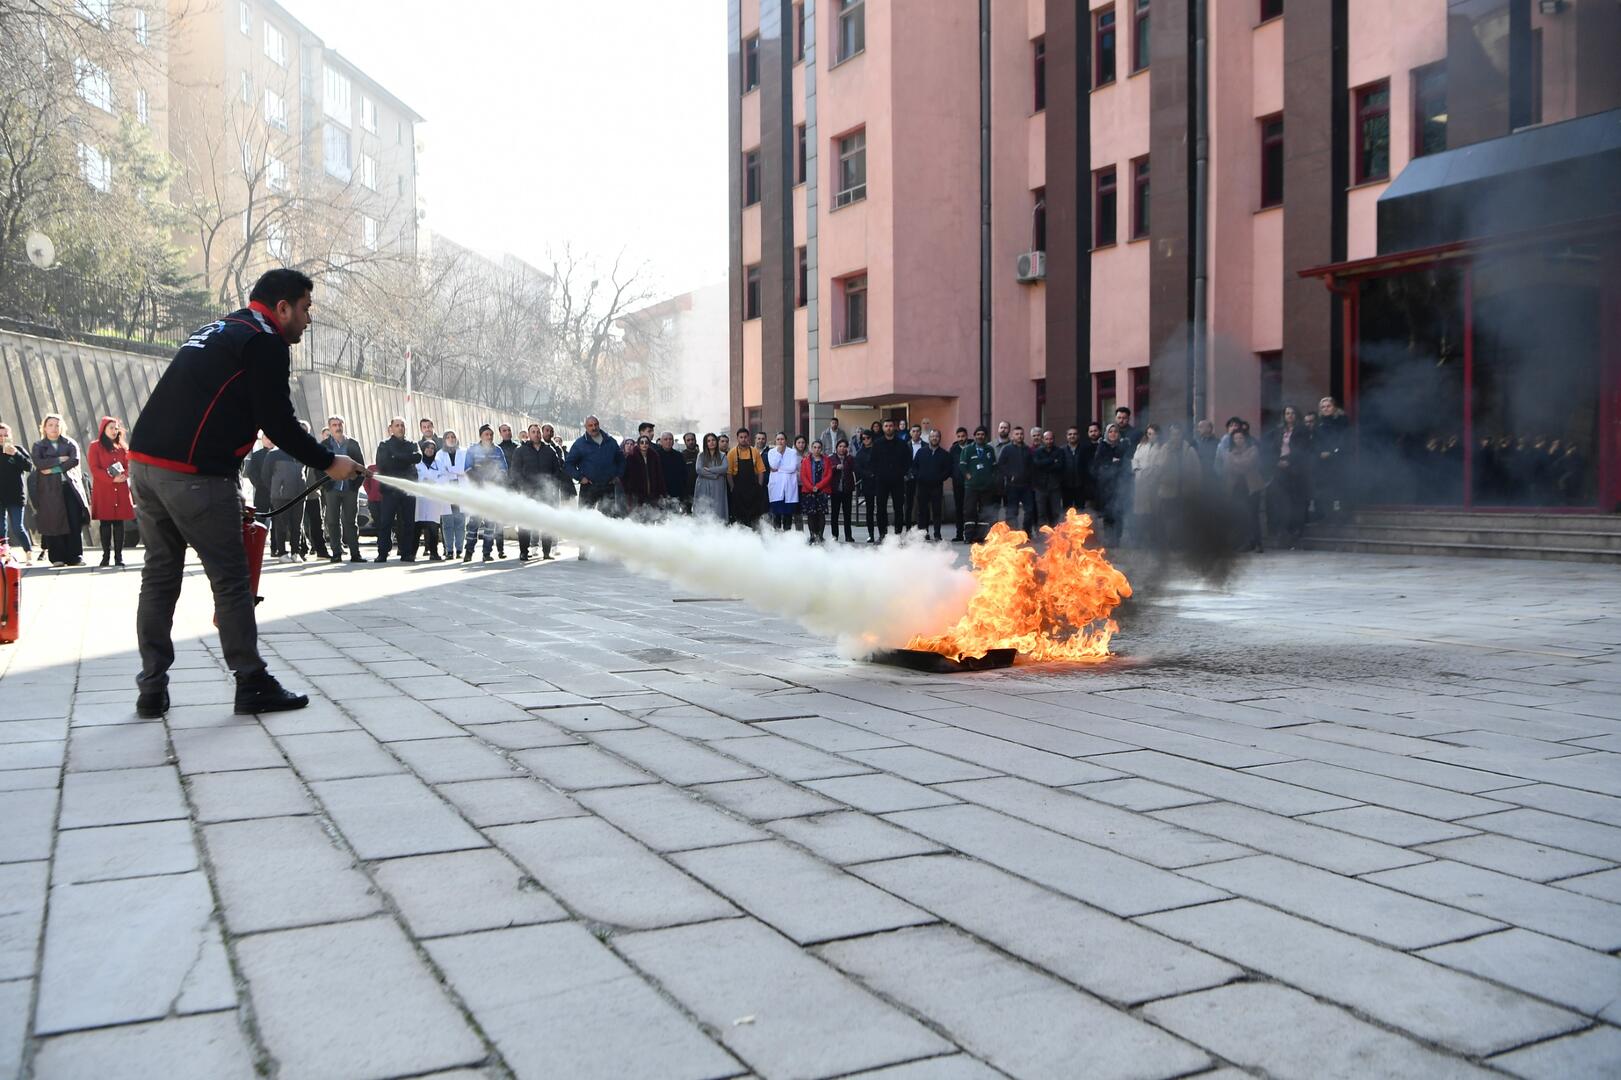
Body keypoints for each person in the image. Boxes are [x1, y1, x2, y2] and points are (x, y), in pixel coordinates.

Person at [128, 268, 362, 717]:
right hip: (193, 473)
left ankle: (151, 688)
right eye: (306, 309)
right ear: (282, 308)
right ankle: (251, 680)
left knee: (159, 578)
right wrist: (329, 461)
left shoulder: (222, 328)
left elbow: (217, 407)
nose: (308, 320)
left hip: (146, 466)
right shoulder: (265, 341)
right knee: (231, 579)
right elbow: (277, 421)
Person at [30, 414, 87, 567]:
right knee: (54, 522)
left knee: (73, 521)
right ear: (44, 428)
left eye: (57, 425)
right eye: (50, 425)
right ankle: (57, 557)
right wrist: (59, 459)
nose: (54, 428)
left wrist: (54, 468)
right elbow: (39, 463)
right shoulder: (38, 446)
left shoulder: (70, 443)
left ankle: (76, 556)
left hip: (70, 487)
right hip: (49, 489)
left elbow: (74, 460)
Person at [566, 415, 626, 558]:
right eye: (590, 425)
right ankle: (584, 550)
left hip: (608, 486)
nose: (594, 427)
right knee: (584, 518)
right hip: (589, 487)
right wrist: (580, 477)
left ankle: (609, 550)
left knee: (610, 519)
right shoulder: (580, 443)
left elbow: (621, 460)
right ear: (586, 427)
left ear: (599, 424)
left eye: (596, 424)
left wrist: (618, 475)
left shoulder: (610, 441)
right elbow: (568, 464)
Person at [87, 416, 136, 568]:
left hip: (120, 488)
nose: (114, 431)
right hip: (104, 489)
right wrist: (110, 479)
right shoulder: (95, 446)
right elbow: (94, 468)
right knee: (106, 523)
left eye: (116, 428)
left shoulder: (122, 447)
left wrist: (124, 475)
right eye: (111, 428)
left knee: (119, 523)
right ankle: (106, 555)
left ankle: (119, 556)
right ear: (103, 429)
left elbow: (129, 465)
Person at [512, 423, 564, 559]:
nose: (536, 434)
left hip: (545, 493)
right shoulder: (520, 450)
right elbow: (515, 472)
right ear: (529, 435)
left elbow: (557, 471)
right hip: (527, 493)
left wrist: (552, 487)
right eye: (533, 432)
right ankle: (524, 551)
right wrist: (522, 488)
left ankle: (546, 552)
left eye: (538, 432)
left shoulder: (549, 450)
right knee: (525, 523)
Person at [373, 417, 421, 563]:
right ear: (391, 428)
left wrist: (396, 457)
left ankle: (406, 553)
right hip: (390, 490)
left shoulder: (412, 444)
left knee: (408, 522)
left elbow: (418, 457)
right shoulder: (384, 445)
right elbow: (382, 463)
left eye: (402, 425)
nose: (400, 428)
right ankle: (382, 553)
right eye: (397, 425)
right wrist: (406, 459)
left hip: (408, 489)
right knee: (386, 522)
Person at [321, 416, 366, 563]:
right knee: (332, 521)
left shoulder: (352, 444)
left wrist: (356, 485)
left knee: (351, 522)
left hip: (350, 489)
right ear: (330, 427)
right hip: (332, 488)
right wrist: (325, 485)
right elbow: (318, 467)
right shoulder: (325, 444)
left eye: (340, 424)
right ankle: (336, 552)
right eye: (334, 425)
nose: (337, 427)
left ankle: (355, 553)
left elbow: (361, 466)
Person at [265, 427, 312, 562]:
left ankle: (295, 552)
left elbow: (305, 473)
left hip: (299, 494)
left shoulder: (302, 453)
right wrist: (276, 488)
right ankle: (282, 553)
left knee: (297, 525)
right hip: (280, 496)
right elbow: (266, 475)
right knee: (281, 525)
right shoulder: (274, 454)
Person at [463, 424, 509, 562]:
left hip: (492, 492)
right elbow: (467, 468)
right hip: (477, 491)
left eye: (491, 434)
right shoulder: (472, 450)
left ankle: (487, 553)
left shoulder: (498, 450)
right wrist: (479, 482)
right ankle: (468, 552)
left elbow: (503, 468)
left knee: (490, 523)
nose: (489, 437)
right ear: (481, 436)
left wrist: (495, 482)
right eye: (486, 434)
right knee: (473, 523)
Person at [1266, 406, 1310, 548]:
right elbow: (1272, 448)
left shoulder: (1302, 430)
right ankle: (1280, 530)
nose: (1290, 416)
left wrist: (1289, 461)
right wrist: (1276, 461)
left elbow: (1302, 449)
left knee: (1295, 500)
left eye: (1292, 413)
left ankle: (1296, 531)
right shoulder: (1278, 430)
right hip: (1279, 468)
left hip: (1295, 468)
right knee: (1278, 499)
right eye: (1287, 413)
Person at [1219, 427, 1266, 552]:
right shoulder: (1229, 451)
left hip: (1251, 487)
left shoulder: (1253, 450)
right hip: (1236, 488)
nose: (1238, 440)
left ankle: (1258, 543)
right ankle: (1244, 543)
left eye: (1241, 438)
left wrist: (1234, 461)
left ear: (1245, 439)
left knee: (1253, 516)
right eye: (1235, 438)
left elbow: (1248, 464)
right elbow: (1227, 468)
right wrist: (1236, 462)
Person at [956, 426, 998, 543]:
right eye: (978, 434)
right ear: (974, 436)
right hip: (971, 487)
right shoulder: (968, 449)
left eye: (982, 434)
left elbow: (994, 466)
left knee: (985, 512)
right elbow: (962, 465)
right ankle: (968, 536)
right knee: (969, 511)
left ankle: (981, 537)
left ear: (985, 436)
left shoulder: (989, 449)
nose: (980, 436)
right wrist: (968, 476)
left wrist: (991, 478)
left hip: (987, 487)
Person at [410, 439, 450, 561]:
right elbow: (412, 477)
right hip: (419, 499)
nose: (430, 450)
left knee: (433, 528)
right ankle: (412, 553)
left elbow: (445, 478)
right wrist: (423, 481)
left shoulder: (439, 463)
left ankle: (434, 553)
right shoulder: (417, 463)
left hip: (433, 500)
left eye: (432, 448)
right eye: (427, 448)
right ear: (422, 449)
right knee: (416, 528)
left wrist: (435, 483)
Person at [910, 429, 953, 540]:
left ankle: (937, 534)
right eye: (932, 436)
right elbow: (914, 467)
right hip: (922, 486)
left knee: (937, 511)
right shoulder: (921, 452)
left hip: (936, 486)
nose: (934, 438)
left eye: (937, 436)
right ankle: (923, 534)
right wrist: (918, 476)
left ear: (940, 438)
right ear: (929, 438)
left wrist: (939, 478)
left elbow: (948, 470)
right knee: (922, 511)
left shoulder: (944, 454)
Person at [0, 422, 34, 562]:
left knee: (17, 526)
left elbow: (29, 467)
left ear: (11, 436)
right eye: (0, 435)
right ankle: (4, 554)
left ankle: (28, 552)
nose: (2, 438)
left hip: (15, 495)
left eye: (5, 435)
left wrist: (15, 454)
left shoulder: (17, 449)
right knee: (1, 528)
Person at [1129, 424, 1168, 547]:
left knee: (1154, 512)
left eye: (1154, 434)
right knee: (1141, 513)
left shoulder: (1162, 448)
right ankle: (1140, 540)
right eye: (1149, 434)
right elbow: (1135, 460)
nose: (1151, 436)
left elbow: (1160, 465)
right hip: (1140, 482)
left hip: (1154, 483)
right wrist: (1136, 470)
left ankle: (1155, 540)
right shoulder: (1141, 446)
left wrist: (1148, 473)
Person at [1090, 424, 1128, 547]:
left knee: (1118, 513)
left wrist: (1117, 462)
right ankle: (1109, 538)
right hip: (1105, 486)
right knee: (1108, 513)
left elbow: (1126, 462)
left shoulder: (1123, 445)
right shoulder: (1102, 446)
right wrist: (1111, 462)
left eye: (1115, 431)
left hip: (1120, 485)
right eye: (1110, 431)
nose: (1113, 434)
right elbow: (1098, 464)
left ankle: (1117, 538)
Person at [872, 418, 909, 540]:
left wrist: (902, 473)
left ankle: (898, 534)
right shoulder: (877, 443)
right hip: (881, 481)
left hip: (897, 480)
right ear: (883, 428)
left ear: (895, 427)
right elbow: (873, 461)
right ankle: (882, 534)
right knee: (881, 508)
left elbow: (907, 461)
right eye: (886, 426)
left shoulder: (902, 443)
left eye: (891, 425)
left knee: (898, 508)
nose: (888, 428)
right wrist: (878, 473)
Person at [725, 425, 767, 529]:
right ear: (737, 438)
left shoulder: (754, 451)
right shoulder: (732, 453)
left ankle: (754, 537)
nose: (743, 439)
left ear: (749, 438)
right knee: (739, 517)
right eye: (741, 437)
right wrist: (732, 487)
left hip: (753, 489)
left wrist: (759, 487)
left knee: (754, 517)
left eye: (745, 437)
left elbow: (761, 471)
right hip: (738, 489)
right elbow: (729, 473)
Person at [1315, 395, 1350, 519]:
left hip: (1339, 459)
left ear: (1334, 407)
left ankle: (1341, 514)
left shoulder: (1342, 421)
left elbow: (1344, 440)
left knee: (1339, 487)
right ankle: (1326, 513)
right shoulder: (1318, 424)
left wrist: (1332, 452)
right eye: (1323, 407)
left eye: (1328, 406)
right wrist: (1319, 453)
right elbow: (1316, 442)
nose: (1325, 409)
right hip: (1322, 461)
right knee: (1325, 487)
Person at [996, 425, 1035, 533]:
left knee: (1030, 510)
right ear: (1013, 436)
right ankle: (1012, 534)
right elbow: (1000, 465)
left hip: (1026, 486)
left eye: (1021, 434)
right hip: (1012, 486)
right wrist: (1010, 475)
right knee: (1012, 512)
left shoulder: (1027, 450)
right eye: (1017, 434)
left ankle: (1026, 533)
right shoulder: (1007, 449)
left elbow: (1032, 466)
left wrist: (1030, 479)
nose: (1019, 436)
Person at [437, 429, 468, 559]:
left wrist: (450, 470)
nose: (451, 439)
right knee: (447, 523)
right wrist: (455, 471)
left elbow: (464, 469)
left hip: (460, 489)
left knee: (460, 522)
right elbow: (441, 471)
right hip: (447, 491)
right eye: (448, 437)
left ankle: (460, 549)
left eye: (453, 436)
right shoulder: (439, 454)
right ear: (444, 440)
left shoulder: (464, 452)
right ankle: (449, 550)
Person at [623, 434, 667, 515]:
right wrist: (629, 490)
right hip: (636, 494)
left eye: (646, 442)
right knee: (638, 517)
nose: (644, 445)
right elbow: (626, 476)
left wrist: (662, 493)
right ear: (638, 444)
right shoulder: (632, 456)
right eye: (642, 442)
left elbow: (659, 475)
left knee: (652, 516)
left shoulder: (654, 456)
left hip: (653, 493)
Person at [798, 439, 833, 542]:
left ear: (821, 449)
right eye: (815, 447)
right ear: (811, 448)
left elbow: (828, 475)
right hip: (809, 491)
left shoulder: (826, 460)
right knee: (811, 514)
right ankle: (812, 535)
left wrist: (818, 486)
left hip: (822, 490)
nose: (817, 449)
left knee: (821, 514)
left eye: (819, 447)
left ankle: (820, 535)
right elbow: (803, 475)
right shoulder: (805, 460)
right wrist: (811, 487)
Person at [1030, 429, 1065, 530]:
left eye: (1051, 439)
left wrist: (1045, 464)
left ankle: (1056, 534)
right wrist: (1052, 460)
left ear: (1053, 439)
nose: (1049, 441)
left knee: (1055, 513)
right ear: (1043, 440)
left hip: (1055, 487)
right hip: (1040, 487)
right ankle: (1043, 535)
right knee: (1041, 513)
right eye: (1046, 439)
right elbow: (1037, 465)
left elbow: (1059, 466)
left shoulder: (1059, 451)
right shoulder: (1037, 452)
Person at [493, 424, 519, 557]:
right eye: (504, 431)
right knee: (499, 520)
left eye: (509, 430)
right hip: (501, 488)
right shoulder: (497, 449)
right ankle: (500, 549)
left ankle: (524, 549)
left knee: (521, 518)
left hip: (516, 487)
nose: (507, 432)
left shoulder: (518, 447)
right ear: (500, 433)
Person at [765, 432, 799, 531]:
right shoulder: (772, 452)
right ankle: (777, 535)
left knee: (788, 514)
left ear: (786, 440)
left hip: (789, 486)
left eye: (782, 439)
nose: (780, 441)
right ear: (775, 441)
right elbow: (774, 465)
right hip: (776, 486)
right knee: (776, 514)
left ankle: (787, 536)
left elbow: (792, 468)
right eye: (778, 439)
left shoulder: (792, 452)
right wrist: (779, 453)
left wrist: (779, 470)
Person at [693, 433, 729, 521]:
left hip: (718, 484)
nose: (711, 442)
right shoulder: (700, 455)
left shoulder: (722, 455)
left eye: (713, 440)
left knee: (718, 507)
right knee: (703, 507)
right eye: (708, 441)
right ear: (705, 443)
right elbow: (699, 470)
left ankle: (719, 528)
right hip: (703, 484)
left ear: (716, 442)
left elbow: (724, 468)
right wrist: (715, 475)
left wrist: (710, 470)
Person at [829, 437, 857, 541]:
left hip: (847, 489)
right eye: (840, 446)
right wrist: (835, 467)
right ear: (836, 448)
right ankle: (835, 535)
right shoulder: (831, 458)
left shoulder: (850, 458)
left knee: (847, 514)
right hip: (835, 490)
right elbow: (827, 471)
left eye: (844, 446)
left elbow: (855, 469)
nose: (842, 448)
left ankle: (848, 535)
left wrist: (848, 457)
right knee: (834, 514)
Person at [855, 430, 878, 542]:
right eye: (863, 438)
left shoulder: (878, 449)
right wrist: (868, 474)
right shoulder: (860, 452)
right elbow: (858, 468)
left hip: (879, 482)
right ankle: (871, 534)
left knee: (881, 509)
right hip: (867, 482)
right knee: (869, 510)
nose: (865, 440)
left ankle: (883, 533)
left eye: (868, 438)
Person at [902, 423, 925, 530]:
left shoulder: (925, 445)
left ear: (920, 433)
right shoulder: (905, 445)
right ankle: (908, 528)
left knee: (922, 504)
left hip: (922, 478)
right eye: (913, 431)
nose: (915, 433)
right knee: (908, 504)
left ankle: (923, 529)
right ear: (910, 433)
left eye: (917, 431)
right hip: (908, 478)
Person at [948, 427, 970, 541]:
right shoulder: (953, 449)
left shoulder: (971, 447)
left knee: (970, 509)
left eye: (963, 436)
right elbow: (949, 465)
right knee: (959, 509)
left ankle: (970, 534)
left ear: (967, 436)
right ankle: (959, 534)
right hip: (957, 484)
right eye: (959, 436)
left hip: (970, 484)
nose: (961, 438)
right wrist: (954, 475)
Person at [657, 432, 688, 514]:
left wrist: (682, 494)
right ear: (661, 441)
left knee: (675, 518)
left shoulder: (679, 455)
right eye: (666, 439)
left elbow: (684, 474)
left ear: (673, 441)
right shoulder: (656, 455)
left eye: (670, 439)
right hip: (661, 493)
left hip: (676, 493)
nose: (668, 441)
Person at [243, 432, 274, 512]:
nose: (269, 441)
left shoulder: (279, 454)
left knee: (278, 520)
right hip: (261, 492)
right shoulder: (257, 455)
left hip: (277, 492)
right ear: (262, 439)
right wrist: (259, 484)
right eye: (267, 438)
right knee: (260, 517)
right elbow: (251, 472)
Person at [680, 432, 700, 514]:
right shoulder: (681, 456)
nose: (691, 442)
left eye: (692, 439)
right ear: (685, 442)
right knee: (687, 514)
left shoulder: (701, 455)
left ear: (695, 440)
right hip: (686, 491)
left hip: (700, 490)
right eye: (688, 440)